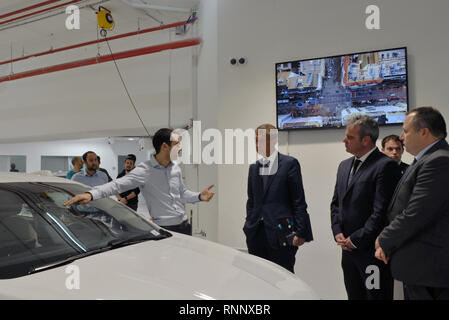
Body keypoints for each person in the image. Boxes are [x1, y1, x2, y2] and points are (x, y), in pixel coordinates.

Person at [64, 128, 215, 236]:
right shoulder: (145, 170)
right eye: (177, 144)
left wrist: (200, 196)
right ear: (165, 146)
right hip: (167, 228)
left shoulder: (175, 169)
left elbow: (182, 193)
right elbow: (117, 184)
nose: (180, 149)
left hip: (185, 225)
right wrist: (91, 194)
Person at [375, 107, 449, 300]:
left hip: (429, 267)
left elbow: (417, 212)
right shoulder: (425, 160)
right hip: (420, 266)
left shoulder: (438, 161)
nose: (401, 137)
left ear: (423, 131)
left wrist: (384, 239)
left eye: (406, 131)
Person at [330, 115, 401, 300]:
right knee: (355, 296)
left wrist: (355, 240)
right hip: (347, 251)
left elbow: (380, 212)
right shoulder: (344, 166)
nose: (344, 140)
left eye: (350, 137)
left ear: (366, 140)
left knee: (375, 296)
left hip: (371, 253)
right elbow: (336, 204)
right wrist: (337, 231)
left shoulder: (385, 166)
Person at [244, 124, 313, 273]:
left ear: (274, 140)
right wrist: (248, 224)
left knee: (283, 278)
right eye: (255, 141)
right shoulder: (253, 168)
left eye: (260, 140)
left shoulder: (289, 164)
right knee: (258, 277)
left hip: (282, 233)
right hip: (256, 233)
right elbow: (251, 201)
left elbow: (298, 201)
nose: (257, 145)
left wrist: (301, 232)